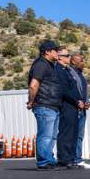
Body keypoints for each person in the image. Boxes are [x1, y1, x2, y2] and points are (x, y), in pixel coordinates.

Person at [26, 40, 64, 170]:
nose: (57, 52)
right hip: (44, 105)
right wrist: (31, 101)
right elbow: (33, 85)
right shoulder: (41, 65)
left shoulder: (50, 65)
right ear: (47, 52)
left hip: (53, 106)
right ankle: (43, 162)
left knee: (52, 136)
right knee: (46, 135)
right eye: (55, 50)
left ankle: (49, 160)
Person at [55, 48, 86, 169]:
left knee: (73, 133)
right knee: (66, 133)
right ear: (59, 57)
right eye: (67, 55)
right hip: (66, 105)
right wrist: (76, 100)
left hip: (73, 105)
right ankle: (64, 159)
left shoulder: (66, 70)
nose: (69, 57)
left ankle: (71, 158)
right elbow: (64, 90)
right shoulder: (59, 70)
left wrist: (81, 101)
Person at [68, 53, 90, 169]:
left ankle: (77, 158)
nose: (83, 63)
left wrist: (86, 101)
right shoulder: (69, 72)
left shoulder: (80, 75)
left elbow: (83, 91)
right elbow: (71, 90)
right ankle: (74, 159)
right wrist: (78, 101)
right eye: (80, 60)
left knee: (79, 135)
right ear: (73, 61)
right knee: (74, 135)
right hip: (74, 108)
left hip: (82, 108)